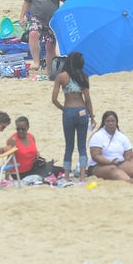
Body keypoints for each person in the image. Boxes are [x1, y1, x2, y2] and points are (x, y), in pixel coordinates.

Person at [51, 51, 94, 180]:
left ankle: (67, 176)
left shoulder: (61, 77)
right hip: (82, 111)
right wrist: (92, 116)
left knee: (69, 146)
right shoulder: (83, 77)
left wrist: (63, 109)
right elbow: (87, 99)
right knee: (82, 146)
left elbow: (54, 99)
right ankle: (82, 176)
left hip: (68, 111)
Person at [88, 111, 133, 183]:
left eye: (113, 121)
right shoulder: (97, 136)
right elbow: (96, 156)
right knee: (113, 169)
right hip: (99, 166)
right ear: (104, 123)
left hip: (119, 163)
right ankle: (128, 180)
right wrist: (110, 162)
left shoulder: (121, 136)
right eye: (108, 121)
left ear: (116, 122)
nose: (110, 123)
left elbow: (131, 156)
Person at [21, 0, 68, 71]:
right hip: (36, 17)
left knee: (50, 46)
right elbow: (26, 2)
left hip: (52, 20)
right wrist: (21, 16)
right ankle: (36, 62)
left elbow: (66, 1)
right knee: (33, 34)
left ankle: (50, 69)